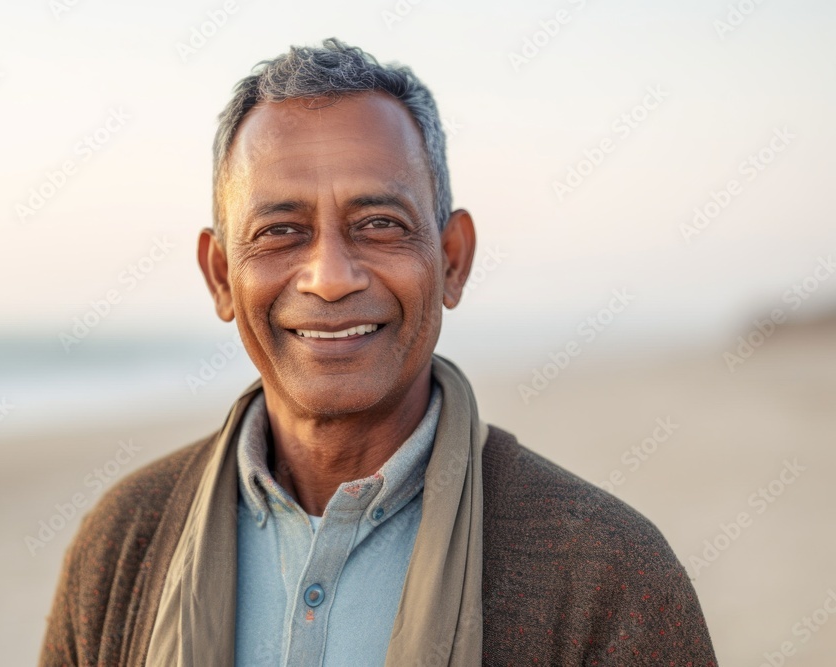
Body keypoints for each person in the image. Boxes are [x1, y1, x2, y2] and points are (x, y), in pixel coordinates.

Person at [39, 38, 718, 666]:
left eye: (379, 225)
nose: (330, 276)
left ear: (452, 260)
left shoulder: (606, 571)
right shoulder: (123, 542)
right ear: (220, 275)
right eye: (280, 231)